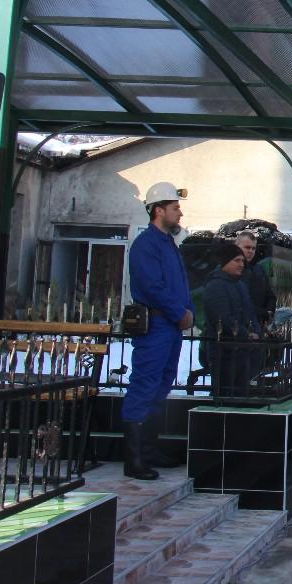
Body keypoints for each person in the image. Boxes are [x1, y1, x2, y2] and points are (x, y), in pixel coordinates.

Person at [124, 182, 194, 480]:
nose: (180, 212)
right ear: (158, 210)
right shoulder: (146, 245)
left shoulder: (167, 244)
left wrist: (187, 312)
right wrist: (181, 313)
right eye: (175, 207)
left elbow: (178, 285)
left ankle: (149, 450)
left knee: (162, 384)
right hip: (156, 324)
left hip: (170, 325)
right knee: (145, 385)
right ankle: (134, 458)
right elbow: (153, 287)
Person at [200, 243, 261, 399]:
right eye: (237, 260)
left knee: (241, 394)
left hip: (242, 351)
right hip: (223, 351)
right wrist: (246, 334)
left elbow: (250, 313)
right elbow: (222, 318)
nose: (241, 264)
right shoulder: (215, 285)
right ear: (225, 262)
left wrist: (256, 331)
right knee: (224, 394)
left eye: (242, 261)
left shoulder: (240, 285)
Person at [234, 230, 275, 325]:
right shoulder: (230, 271)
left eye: (253, 248)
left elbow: (271, 296)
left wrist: (269, 312)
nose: (251, 251)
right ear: (236, 247)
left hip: (258, 324)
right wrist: (263, 313)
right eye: (247, 247)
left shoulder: (259, 270)